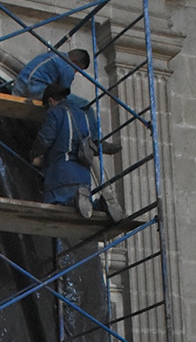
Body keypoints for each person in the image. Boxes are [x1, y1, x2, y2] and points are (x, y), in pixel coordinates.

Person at [30, 85, 123, 222]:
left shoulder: (55, 112)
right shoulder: (84, 114)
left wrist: (33, 153)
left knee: (56, 207)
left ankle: (75, 200)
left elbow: (45, 140)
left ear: (50, 101)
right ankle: (102, 204)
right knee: (84, 211)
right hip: (83, 174)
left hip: (61, 173)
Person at [13, 47, 89, 98]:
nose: (75, 73)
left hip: (18, 88)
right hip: (35, 90)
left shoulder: (50, 55)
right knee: (80, 103)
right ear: (75, 63)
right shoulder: (68, 66)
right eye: (78, 70)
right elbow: (64, 90)